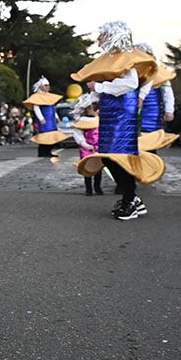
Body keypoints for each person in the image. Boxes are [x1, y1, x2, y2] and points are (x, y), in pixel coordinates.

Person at [70, 21, 161, 221]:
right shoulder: (107, 59)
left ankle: (130, 199)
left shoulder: (125, 58)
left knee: (119, 156)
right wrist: (96, 100)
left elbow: (130, 83)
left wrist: (100, 89)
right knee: (108, 156)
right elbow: (100, 83)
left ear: (112, 36)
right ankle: (132, 199)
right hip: (110, 114)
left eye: (101, 35)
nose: (98, 39)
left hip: (122, 115)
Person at [24, 77, 66, 157]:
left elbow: (52, 108)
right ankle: (43, 152)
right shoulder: (37, 97)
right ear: (40, 87)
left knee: (52, 136)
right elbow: (36, 108)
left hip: (51, 120)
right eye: (46, 85)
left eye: (48, 85)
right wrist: (41, 118)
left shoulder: (50, 96)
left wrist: (56, 117)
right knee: (44, 137)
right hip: (45, 120)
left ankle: (48, 151)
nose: (48, 87)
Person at [71, 92, 102, 195]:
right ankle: (88, 189)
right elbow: (78, 134)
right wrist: (84, 144)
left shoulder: (99, 120)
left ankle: (97, 187)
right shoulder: (82, 121)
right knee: (87, 168)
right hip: (86, 148)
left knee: (98, 168)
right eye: (91, 107)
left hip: (98, 148)